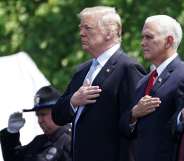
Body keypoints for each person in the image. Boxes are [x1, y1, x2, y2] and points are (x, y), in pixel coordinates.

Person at [51, 6, 146, 161]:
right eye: (80, 28)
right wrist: (74, 101)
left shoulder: (127, 68)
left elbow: (133, 125)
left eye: (88, 28)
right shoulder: (82, 71)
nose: (81, 33)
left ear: (110, 32)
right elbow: (57, 116)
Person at [120, 15, 184, 161]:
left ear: (169, 41)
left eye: (149, 37)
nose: (142, 43)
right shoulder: (144, 81)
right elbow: (124, 128)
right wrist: (134, 114)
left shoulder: (182, 74)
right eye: (142, 37)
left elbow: (178, 129)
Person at [0, 86, 72, 161]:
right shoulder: (39, 141)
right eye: (37, 115)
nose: (40, 120)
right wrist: (11, 134)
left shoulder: (71, 141)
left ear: (58, 111)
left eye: (43, 114)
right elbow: (14, 159)